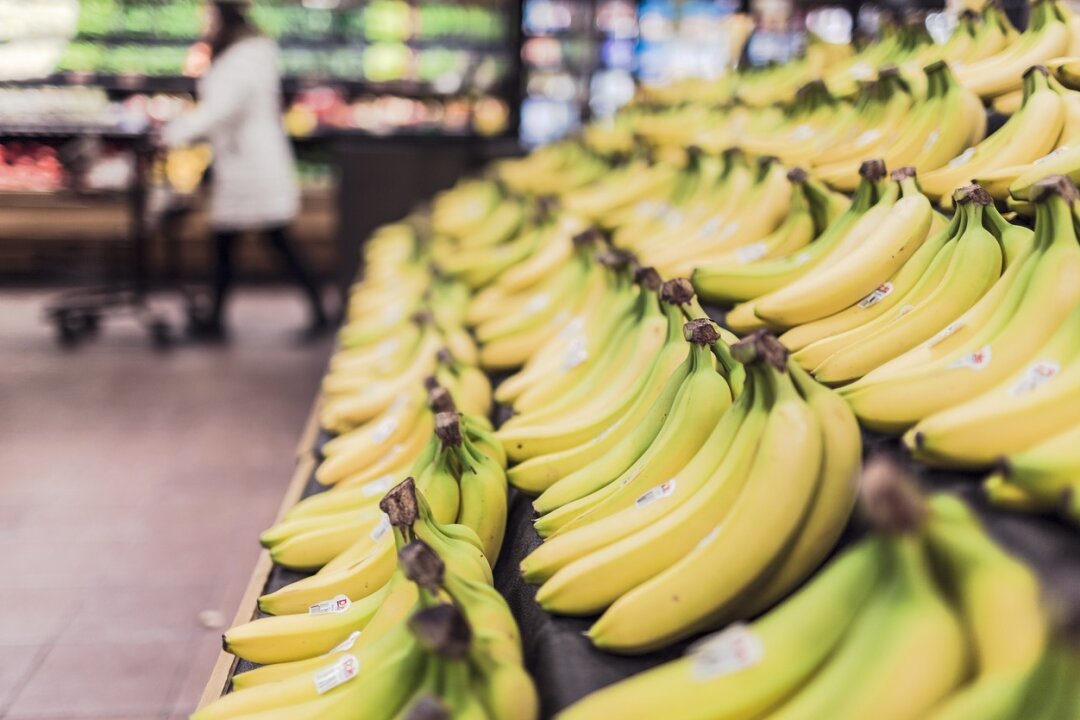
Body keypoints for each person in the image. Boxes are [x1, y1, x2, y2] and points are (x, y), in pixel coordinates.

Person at [162, 0, 328, 340]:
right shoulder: (249, 53)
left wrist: (177, 131)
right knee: (229, 242)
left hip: (251, 164)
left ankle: (318, 311)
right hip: (243, 161)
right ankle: (217, 319)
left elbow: (223, 110)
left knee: (272, 240)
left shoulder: (243, 58)